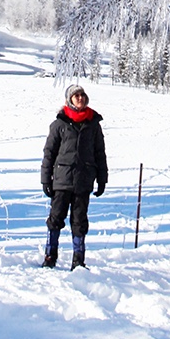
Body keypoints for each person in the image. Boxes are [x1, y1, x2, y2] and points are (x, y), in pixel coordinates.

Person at [40, 83, 108, 269]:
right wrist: (46, 179)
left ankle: (78, 260)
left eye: (82, 95)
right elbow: (49, 153)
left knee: (79, 222)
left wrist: (102, 179)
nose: (80, 98)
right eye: (76, 96)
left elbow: (99, 153)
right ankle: (50, 255)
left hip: (83, 181)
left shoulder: (93, 125)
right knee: (55, 219)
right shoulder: (59, 124)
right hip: (61, 181)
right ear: (69, 100)